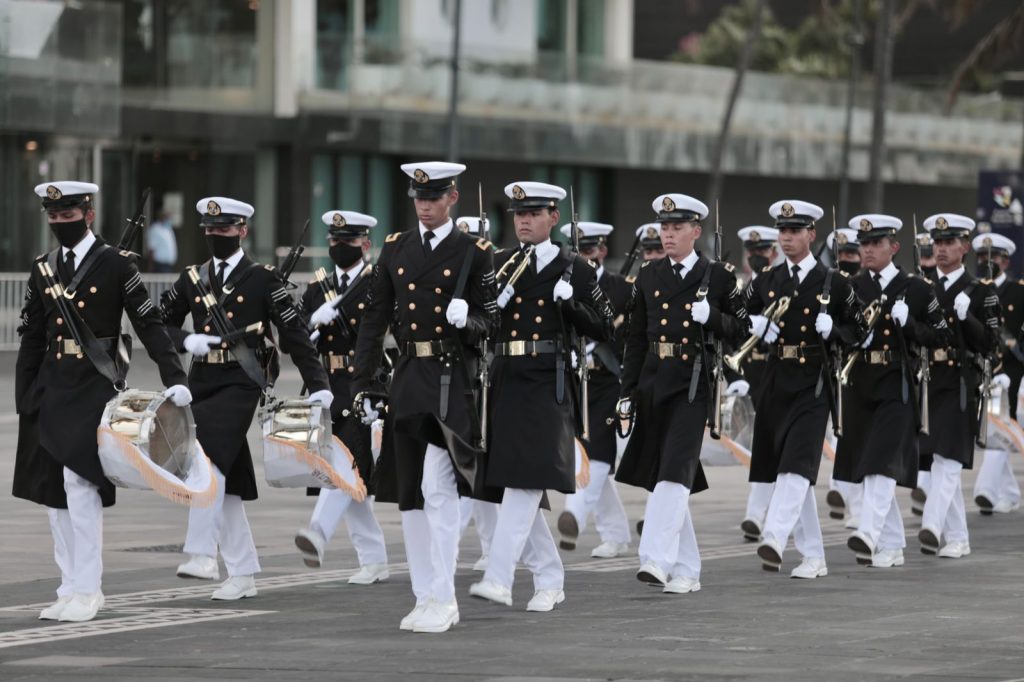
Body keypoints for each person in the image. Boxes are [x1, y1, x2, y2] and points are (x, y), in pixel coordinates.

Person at [15, 181, 190, 622]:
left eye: (68, 217)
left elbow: (149, 324)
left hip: (93, 384)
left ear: (88, 214)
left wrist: (175, 376)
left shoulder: (115, 264)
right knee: (53, 491)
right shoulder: (44, 267)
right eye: (53, 218)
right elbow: (33, 336)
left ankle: (89, 588)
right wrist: (25, 395)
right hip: (51, 386)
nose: (60, 225)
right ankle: (67, 585)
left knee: (80, 485)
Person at [351, 161, 497, 634]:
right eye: (419, 198)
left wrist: (467, 321)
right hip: (410, 376)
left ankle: (445, 597)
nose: (425, 206)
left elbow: (491, 322)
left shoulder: (475, 251)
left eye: (433, 198)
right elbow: (375, 317)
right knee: (410, 494)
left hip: (452, 380)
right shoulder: (397, 248)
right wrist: (362, 379)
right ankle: (424, 595)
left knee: (439, 488)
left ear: (452, 198)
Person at [161, 196, 331, 600]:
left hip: (242, 380)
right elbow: (157, 324)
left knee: (205, 460)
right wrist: (187, 339)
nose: (215, 236)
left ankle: (202, 553)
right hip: (202, 378)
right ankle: (243, 571)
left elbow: (293, 335)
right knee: (228, 482)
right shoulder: (193, 278)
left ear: (242, 231)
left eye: (223, 229)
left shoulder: (263, 279)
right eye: (209, 230)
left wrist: (318, 382)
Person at [469, 181, 612, 612]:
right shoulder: (499, 264)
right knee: (514, 478)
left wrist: (572, 308)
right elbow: (482, 326)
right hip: (506, 378)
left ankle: (499, 576)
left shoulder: (577, 270)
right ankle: (550, 577)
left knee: (526, 479)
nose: (523, 221)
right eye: (518, 214)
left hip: (547, 381)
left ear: (554, 217)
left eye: (532, 213)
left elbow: (605, 329)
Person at [614, 193, 747, 594]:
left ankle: (655, 558)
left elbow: (742, 330)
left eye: (676, 228)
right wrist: (627, 391)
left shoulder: (719, 277)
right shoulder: (650, 276)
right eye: (664, 228)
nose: (667, 235)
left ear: (696, 231)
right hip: (655, 381)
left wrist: (716, 319)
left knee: (674, 468)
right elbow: (636, 340)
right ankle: (688, 569)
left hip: (694, 382)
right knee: (666, 473)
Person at [745, 200, 866, 578]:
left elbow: (862, 331)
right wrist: (754, 324)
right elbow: (735, 316)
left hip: (814, 381)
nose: (786, 238)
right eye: (782, 231)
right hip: (776, 379)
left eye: (794, 231)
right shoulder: (766, 280)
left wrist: (838, 332)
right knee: (787, 466)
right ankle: (814, 555)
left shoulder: (835, 282)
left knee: (797, 463)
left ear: (811, 235)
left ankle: (775, 537)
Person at [833, 214, 950, 568]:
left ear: (894, 247)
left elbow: (941, 335)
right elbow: (840, 334)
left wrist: (910, 324)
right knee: (867, 463)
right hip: (860, 382)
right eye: (863, 244)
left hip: (897, 381)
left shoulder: (915, 289)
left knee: (880, 463)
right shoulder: (850, 286)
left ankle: (868, 533)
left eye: (875, 244)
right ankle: (894, 543)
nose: (867, 250)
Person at [293, 210, 389, 583]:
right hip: (327, 385)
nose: (338, 247)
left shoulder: (376, 283)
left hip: (365, 383)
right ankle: (374, 557)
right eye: (333, 241)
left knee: (345, 468)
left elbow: (388, 333)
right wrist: (312, 327)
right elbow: (294, 338)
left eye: (346, 241)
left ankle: (317, 533)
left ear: (365, 244)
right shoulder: (318, 288)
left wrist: (346, 319)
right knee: (353, 476)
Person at [917, 213, 1000, 559]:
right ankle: (959, 537)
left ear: (965, 247)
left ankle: (931, 526)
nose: (941, 249)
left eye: (949, 242)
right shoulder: (922, 288)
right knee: (937, 458)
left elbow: (991, 344)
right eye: (937, 243)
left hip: (961, 383)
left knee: (948, 458)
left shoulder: (982, 292)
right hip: (930, 382)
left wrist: (969, 319)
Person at [556, 221, 634, 559]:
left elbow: (634, 336)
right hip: (576, 377)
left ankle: (575, 511)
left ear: (602, 250)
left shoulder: (622, 288)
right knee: (581, 446)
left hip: (608, 380)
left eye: (589, 250)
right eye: (577, 251)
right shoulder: (561, 284)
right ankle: (615, 533)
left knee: (599, 447)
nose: (583, 256)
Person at [971, 232, 1023, 515]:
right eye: (981, 258)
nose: (986, 263)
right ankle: (1011, 493)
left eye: (992, 258)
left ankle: (986, 491)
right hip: (981, 370)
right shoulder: (974, 290)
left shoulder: (1018, 292)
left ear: (1005, 261)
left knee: (998, 426)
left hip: (1009, 373)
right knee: (992, 428)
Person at [734, 225, 779, 541]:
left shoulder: (781, 283)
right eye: (752, 254)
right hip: (747, 375)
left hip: (775, 373)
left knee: (772, 447)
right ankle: (761, 514)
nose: (757, 258)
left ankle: (758, 514)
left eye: (762, 252)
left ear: (773, 253)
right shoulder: (740, 288)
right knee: (758, 447)